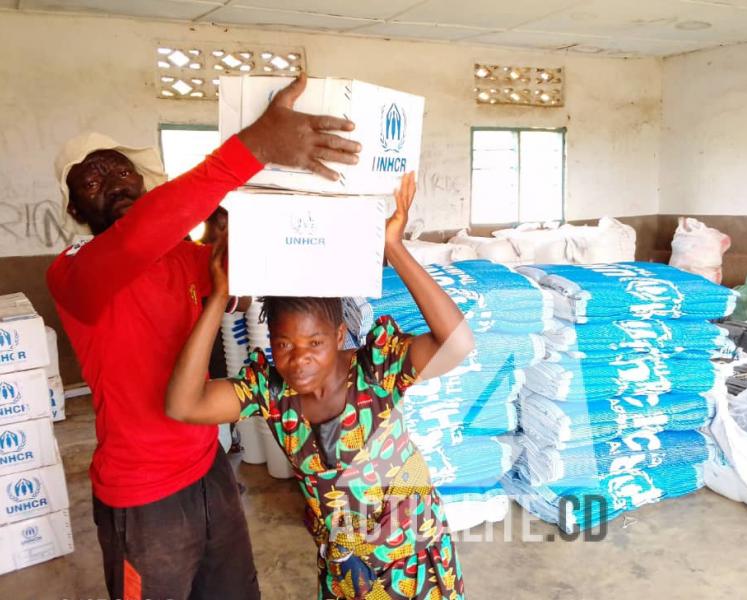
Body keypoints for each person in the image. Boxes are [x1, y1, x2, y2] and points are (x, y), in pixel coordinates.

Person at [47, 74, 361, 600]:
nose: (116, 182)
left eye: (124, 171)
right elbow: (136, 240)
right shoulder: (74, 274)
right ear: (77, 210)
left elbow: (250, 272)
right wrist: (253, 147)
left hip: (208, 467)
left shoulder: (185, 260)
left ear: (144, 185)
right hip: (144, 495)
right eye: (92, 181)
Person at [166, 172, 473, 600]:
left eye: (315, 342)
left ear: (339, 333)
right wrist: (219, 297)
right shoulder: (270, 393)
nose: (299, 358)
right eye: (284, 344)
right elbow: (183, 405)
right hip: (348, 570)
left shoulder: (376, 371)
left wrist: (393, 248)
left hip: (416, 562)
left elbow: (457, 344)